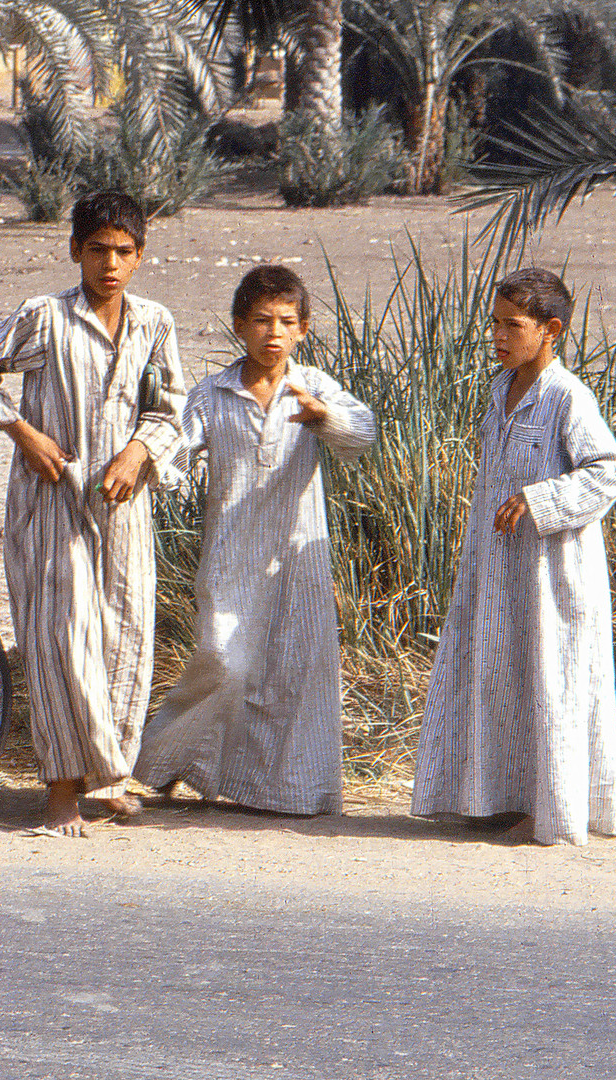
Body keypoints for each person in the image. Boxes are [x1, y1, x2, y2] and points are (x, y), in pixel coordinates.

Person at [0, 191, 186, 837]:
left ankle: (108, 774)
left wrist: (138, 451)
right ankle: (61, 795)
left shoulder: (152, 323)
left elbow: (170, 407)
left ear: (139, 257)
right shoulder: (45, 319)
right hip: (50, 502)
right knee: (61, 644)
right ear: (75, 252)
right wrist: (20, 433)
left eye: (122, 252)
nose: (108, 264)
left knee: (123, 640)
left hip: (121, 508)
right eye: (96, 251)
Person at [134, 265, 376, 815]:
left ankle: (286, 792)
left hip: (296, 557)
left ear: (304, 330)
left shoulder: (314, 387)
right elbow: (175, 448)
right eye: (261, 320)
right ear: (240, 325)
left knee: (294, 671)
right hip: (231, 554)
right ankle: (160, 762)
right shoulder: (214, 392)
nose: (274, 332)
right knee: (223, 661)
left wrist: (324, 418)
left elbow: (362, 435)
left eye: (286, 322)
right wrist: (145, 466)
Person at [412, 268, 616, 847]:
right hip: (498, 566)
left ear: (551, 329)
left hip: (553, 569)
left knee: (552, 677)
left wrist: (542, 499)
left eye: (513, 326)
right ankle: (495, 797)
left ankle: (555, 809)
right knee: (501, 674)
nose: (499, 338)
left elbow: (610, 471)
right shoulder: (499, 389)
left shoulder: (567, 396)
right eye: (495, 325)